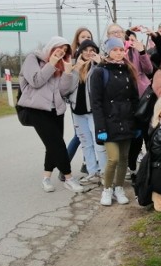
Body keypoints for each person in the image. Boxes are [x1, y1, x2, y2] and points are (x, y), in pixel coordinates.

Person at [17, 36, 85, 193]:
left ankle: (46, 178)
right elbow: (36, 81)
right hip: (36, 109)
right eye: (58, 48)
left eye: (65, 50)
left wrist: (68, 73)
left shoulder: (63, 64)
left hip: (56, 110)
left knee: (52, 145)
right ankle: (68, 178)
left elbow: (63, 91)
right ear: (51, 47)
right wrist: (51, 64)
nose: (61, 52)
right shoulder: (33, 59)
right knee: (58, 145)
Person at [90, 37, 140, 206]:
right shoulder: (99, 72)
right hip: (109, 122)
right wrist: (100, 128)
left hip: (127, 121)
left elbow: (134, 99)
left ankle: (119, 188)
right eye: (115, 50)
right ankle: (107, 189)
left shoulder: (128, 70)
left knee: (124, 158)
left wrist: (137, 124)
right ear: (108, 52)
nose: (118, 53)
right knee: (113, 159)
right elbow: (95, 103)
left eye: (121, 50)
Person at [58, 26, 94, 181]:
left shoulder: (95, 59)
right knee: (80, 137)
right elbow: (66, 85)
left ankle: (88, 165)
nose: (86, 39)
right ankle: (64, 167)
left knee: (90, 137)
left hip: (91, 106)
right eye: (83, 37)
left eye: (89, 37)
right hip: (77, 107)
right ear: (77, 41)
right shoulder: (71, 60)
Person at [68, 38, 106, 184]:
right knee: (86, 143)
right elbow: (68, 88)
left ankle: (103, 172)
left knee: (99, 143)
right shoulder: (74, 66)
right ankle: (92, 171)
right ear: (80, 52)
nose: (89, 53)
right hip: (78, 111)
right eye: (85, 50)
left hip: (93, 112)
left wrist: (100, 63)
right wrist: (76, 70)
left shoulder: (98, 66)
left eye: (92, 50)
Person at [123, 27, 154, 180]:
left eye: (134, 40)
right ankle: (132, 167)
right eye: (129, 39)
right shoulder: (120, 53)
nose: (132, 42)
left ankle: (150, 167)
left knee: (147, 133)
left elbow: (149, 69)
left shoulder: (138, 52)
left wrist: (142, 52)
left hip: (143, 98)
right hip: (128, 99)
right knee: (135, 138)